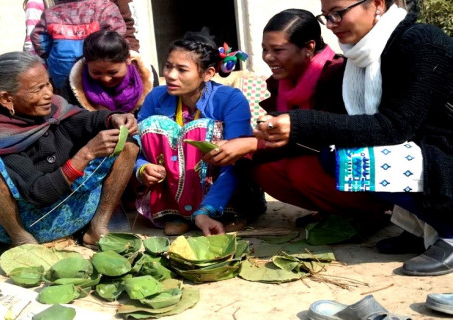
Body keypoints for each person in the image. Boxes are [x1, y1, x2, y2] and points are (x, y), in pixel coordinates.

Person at [254, 0, 453, 276]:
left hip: (445, 151)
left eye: (338, 13)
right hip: (422, 148)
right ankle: (420, 226)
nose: (332, 24)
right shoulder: (360, 56)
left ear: (377, 4)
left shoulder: (422, 43)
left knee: (348, 159)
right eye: (327, 16)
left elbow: (394, 127)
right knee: (333, 155)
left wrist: (299, 123)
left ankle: (449, 230)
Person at [0, 52, 139, 261]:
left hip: (75, 209)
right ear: (7, 98)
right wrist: (86, 153)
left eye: (47, 84)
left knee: (128, 145)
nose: (48, 94)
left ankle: (97, 227)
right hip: (32, 221)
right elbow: (38, 193)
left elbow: (85, 120)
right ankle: (23, 242)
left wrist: (112, 117)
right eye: (38, 89)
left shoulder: (52, 109)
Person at [243, 9, 390, 232]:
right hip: (320, 165)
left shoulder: (338, 75)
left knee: (300, 168)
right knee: (262, 168)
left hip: (360, 167)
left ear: (309, 47)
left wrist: (254, 144)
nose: (268, 57)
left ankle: (369, 212)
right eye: (265, 49)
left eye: (278, 50)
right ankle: (332, 210)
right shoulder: (280, 83)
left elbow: (331, 136)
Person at [134, 32, 261, 236]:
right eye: (168, 66)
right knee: (152, 126)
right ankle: (176, 213)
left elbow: (238, 159)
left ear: (208, 73)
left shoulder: (231, 99)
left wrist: (208, 207)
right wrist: (142, 168)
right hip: (173, 191)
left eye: (182, 70)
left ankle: (224, 211)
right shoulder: (156, 97)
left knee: (201, 130)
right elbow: (138, 144)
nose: (171, 75)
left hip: (224, 190)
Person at [30, 0, 126, 91]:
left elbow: (38, 39)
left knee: (69, 103)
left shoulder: (50, 13)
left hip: (62, 72)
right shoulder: (104, 8)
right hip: (98, 72)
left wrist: (49, 56)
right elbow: (117, 38)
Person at [63, 29, 155, 114]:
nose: (106, 79)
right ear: (86, 63)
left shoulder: (147, 77)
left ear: (128, 59)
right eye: (96, 72)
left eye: (113, 72)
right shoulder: (74, 84)